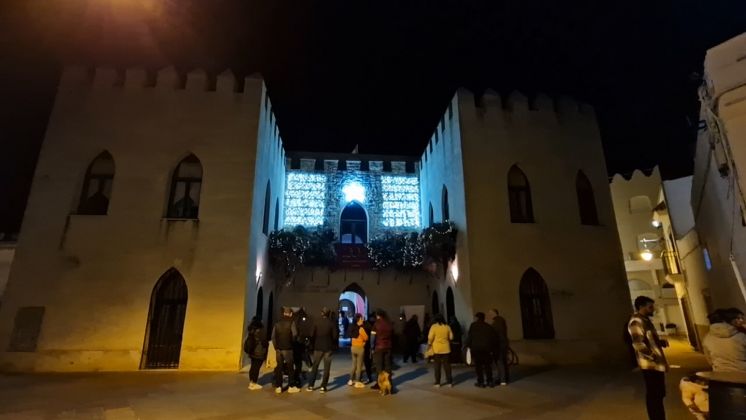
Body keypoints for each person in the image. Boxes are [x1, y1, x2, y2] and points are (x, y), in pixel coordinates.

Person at [628, 296, 669, 420]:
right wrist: (652, 356)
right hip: (650, 365)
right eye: (650, 307)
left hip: (656, 364)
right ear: (641, 307)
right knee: (654, 395)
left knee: (659, 394)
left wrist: (659, 342)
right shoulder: (637, 321)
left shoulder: (645, 320)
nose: (653, 309)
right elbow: (638, 343)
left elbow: (647, 338)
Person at [703, 307, 746, 372]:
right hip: (743, 373)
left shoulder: (707, 338)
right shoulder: (741, 336)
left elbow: (710, 361)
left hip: (720, 373)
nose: (741, 320)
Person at [307, 307, 338, 393]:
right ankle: (323, 387)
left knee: (315, 367)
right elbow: (335, 336)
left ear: (322, 313)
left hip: (318, 348)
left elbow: (311, 334)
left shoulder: (316, 322)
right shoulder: (331, 323)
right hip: (328, 348)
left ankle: (311, 385)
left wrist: (313, 344)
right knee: (327, 368)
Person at [465, 312, 499, 388]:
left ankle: (481, 382)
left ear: (477, 318)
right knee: (488, 366)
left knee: (478, 366)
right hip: (486, 349)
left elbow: (470, 336)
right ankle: (490, 381)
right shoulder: (488, 327)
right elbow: (493, 338)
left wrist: (467, 345)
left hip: (476, 349)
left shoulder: (473, 325)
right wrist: (492, 348)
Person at [272, 307, 300, 394]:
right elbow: (295, 335)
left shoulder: (277, 323)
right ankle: (291, 386)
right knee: (290, 367)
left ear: (284, 313)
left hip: (279, 349)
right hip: (288, 349)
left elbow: (273, 337)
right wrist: (292, 342)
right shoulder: (291, 323)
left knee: (279, 368)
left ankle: (278, 386)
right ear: (290, 314)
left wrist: (276, 347)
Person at [428, 313, 454, 387]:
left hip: (437, 349)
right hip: (446, 349)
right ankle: (449, 382)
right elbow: (451, 337)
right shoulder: (447, 326)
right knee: (447, 366)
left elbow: (430, 337)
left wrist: (429, 344)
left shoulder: (434, 327)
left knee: (437, 366)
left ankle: (438, 383)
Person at [371, 309, 394, 390]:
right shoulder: (389, 323)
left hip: (379, 347)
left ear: (378, 315)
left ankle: (379, 384)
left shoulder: (376, 324)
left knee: (379, 367)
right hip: (388, 347)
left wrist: (372, 347)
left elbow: (373, 337)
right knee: (388, 366)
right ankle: (389, 383)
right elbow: (392, 336)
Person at [244, 317, 268, 391]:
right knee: (256, 368)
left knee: (253, 367)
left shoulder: (251, 330)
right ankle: (254, 383)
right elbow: (264, 342)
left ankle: (251, 382)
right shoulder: (260, 330)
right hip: (259, 352)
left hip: (252, 351)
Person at [488, 308, 510, 385]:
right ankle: (505, 378)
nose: (489, 315)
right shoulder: (501, 320)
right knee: (503, 361)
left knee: (500, 362)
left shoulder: (497, 322)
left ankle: (502, 380)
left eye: (490, 313)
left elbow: (495, 333)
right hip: (503, 343)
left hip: (499, 344)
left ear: (494, 313)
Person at [348, 313, 369, 388]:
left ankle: (350, 380)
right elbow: (366, 338)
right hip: (360, 348)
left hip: (353, 348)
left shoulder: (352, 327)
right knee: (359, 366)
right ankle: (357, 381)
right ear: (359, 319)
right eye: (361, 318)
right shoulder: (361, 329)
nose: (363, 320)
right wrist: (363, 341)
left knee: (354, 365)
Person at [363, 314, 374, 383]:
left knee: (366, 362)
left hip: (365, 345)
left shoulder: (364, 325)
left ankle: (368, 377)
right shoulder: (372, 325)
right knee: (368, 362)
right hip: (369, 345)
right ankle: (369, 377)